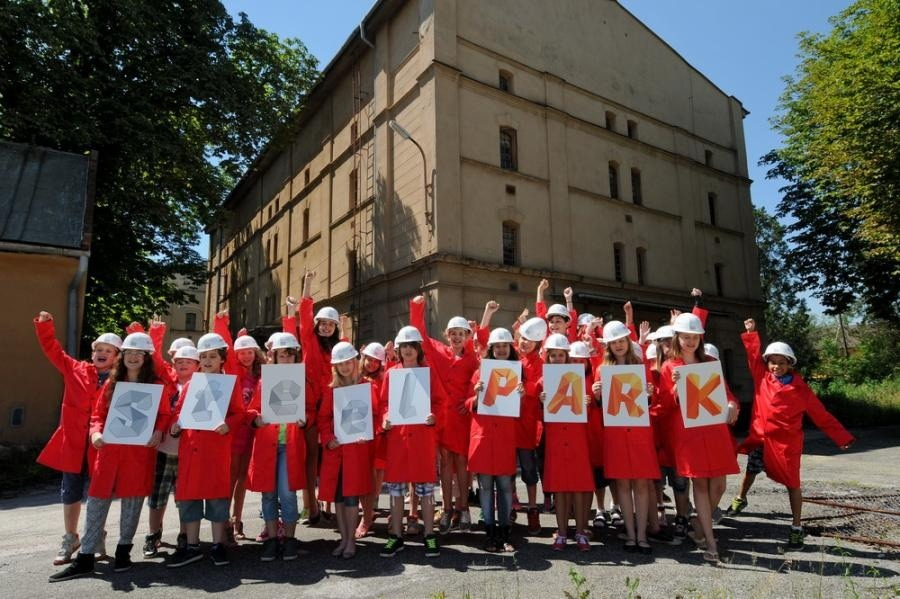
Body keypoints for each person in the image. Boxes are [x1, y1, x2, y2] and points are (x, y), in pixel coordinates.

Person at [49, 332, 174, 582]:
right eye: (129, 352)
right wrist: (95, 433)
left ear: (147, 358)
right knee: (97, 501)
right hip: (108, 451)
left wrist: (159, 431)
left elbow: (164, 415)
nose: (133, 357)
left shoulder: (157, 386)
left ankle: (123, 552)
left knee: (132, 501)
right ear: (122, 356)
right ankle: (85, 557)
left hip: (139, 452)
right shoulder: (111, 384)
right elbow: (98, 416)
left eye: (139, 353)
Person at [738, 318, 854, 548]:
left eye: (782, 363)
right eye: (772, 362)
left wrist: (841, 438)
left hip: (786, 445)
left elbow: (821, 415)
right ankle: (741, 498)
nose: (776, 366)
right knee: (751, 470)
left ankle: (796, 526)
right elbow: (753, 357)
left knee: (793, 484)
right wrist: (751, 333)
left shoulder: (800, 390)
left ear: (790, 364)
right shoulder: (762, 378)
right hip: (762, 439)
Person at [35, 311, 122, 566]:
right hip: (72, 444)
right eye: (98, 349)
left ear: (116, 356)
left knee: (99, 492)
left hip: (102, 445)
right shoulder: (75, 368)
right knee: (70, 491)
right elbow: (53, 351)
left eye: (108, 350)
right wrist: (45, 326)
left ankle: (95, 537)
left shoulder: (122, 381)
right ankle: (71, 538)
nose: (101, 353)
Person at [657, 313, 739, 563]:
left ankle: (699, 525)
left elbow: (726, 393)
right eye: (686, 337)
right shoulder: (669, 366)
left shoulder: (710, 361)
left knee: (719, 486)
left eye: (694, 337)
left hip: (715, 432)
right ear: (677, 338)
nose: (690, 341)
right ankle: (711, 544)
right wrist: (673, 390)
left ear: (700, 338)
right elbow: (663, 405)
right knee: (701, 487)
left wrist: (733, 405)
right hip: (689, 433)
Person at [166, 332, 246, 568]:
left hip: (215, 450)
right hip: (191, 449)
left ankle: (218, 545)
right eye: (204, 356)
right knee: (189, 498)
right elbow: (179, 412)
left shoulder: (230, 383)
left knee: (216, 499)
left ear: (222, 358)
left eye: (213, 356)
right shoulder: (191, 385)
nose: (208, 360)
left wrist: (227, 425)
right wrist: (175, 426)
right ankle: (192, 546)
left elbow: (239, 413)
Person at [410, 296, 480, 534]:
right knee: (445, 464)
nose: (457, 337)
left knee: (462, 464)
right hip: (441, 418)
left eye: (462, 333)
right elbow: (419, 333)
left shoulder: (473, 360)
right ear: (447, 335)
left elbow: (478, 384)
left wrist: (470, 401)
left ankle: (464, 508)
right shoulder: (438, 351)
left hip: (462, 418)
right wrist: (418, 307)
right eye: (453, 333)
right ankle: (448, 508)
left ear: (468, 336)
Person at [592, 321, 659, 555]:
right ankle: (630, 535)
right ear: (608, 345)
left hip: (640, 433)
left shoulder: (641, 366)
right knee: (622, 485)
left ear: (628, 342)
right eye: (614, 342)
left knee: (641, 485)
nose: (619, 345)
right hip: (616, 434)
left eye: (622, 340)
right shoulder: (601, 370)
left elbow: (649, 400)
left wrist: (650, 395)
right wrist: (598, 395)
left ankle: (642, 536)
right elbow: (601, 407)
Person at [379, 307, 441, 558]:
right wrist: (385, 419)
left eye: (411, 346)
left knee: (426, 493)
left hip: (422, 441)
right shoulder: (391, 374)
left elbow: (440, 403)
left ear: (418, 348)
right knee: (395, 493)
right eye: (403, 346)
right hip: (398, 441)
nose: (407, 350)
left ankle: (429, 535)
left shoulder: (428, 374)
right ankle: (396, 535)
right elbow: (384, 404)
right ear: (398, 349)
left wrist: (434, 416)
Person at [245, 332, 307, 561]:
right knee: (268, 493)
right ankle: (272, 539)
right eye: (283, 355)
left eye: (291, 355)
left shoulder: (301, 379)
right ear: (274, 357)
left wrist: (305, 419)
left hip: (289, 445)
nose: (287, 360)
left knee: (288, 493)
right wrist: (256, 418)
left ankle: (289, 539)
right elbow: (251, 410)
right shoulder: (264, 381)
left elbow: (308, 408)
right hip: (267, 445)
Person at [467, 326, 523, 552]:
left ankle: (505, 532)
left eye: (505, 346)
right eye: (497, 346)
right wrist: (476, 395)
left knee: (505, 487)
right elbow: (466, 403)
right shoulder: (480, 372)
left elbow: (527, 410)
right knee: (486, 487)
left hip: (504, 439)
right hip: (483, 437)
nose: (501, 349)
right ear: (491, 349)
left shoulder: (519, 374)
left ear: (511, 348)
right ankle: (490, 533)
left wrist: (523, 395)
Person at [318, 342, 375, 558]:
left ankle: (351, 541)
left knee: (351, 498)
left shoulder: (366, 386)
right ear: (335, 367)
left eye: (348, 362)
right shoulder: (331, 389)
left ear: (355, 362)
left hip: (356, 452)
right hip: (336, 451)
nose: (344, 367)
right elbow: (323, 419)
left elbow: (375, 417)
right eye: (340, 364)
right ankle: (343, 539)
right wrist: (329, 438)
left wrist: (367, 436)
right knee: (339, 498)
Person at [538, 334, 594, 552]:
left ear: (567, 357)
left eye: (561, 355)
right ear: (548, 357)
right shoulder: (543, 381)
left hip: (577, 439)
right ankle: (561, 533)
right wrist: (541, 402)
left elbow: (587, 410)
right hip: (556, 440)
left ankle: (580, 532)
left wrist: (588, 402)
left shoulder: (579, 378)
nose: (558, 359)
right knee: (560, 489)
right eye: (553, 355)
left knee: (579, 487)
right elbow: (538, 415)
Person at [143, 343, 200, 558]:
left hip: (189, 452)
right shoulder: (166, 385)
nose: (183, 364)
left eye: (188, 362)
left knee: (184, 498)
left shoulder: (202, 387)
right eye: (179, 361)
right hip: (164, 449)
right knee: (157, 496)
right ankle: (153, 533)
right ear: (173, 364)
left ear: (197, 365)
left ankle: (184, 535)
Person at [215, 313, 265, 544]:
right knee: (230, 477)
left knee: (243, 478)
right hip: (234, 432)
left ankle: (237, 519)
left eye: (249, 352)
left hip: (254, 433)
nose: (246, 356)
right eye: (241, 352)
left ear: (256, 353)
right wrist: (222, 324)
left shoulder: (264, 373)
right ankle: (224, 522)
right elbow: (224, 346)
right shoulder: (233, 371)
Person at [515, 317, 548, 535]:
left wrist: (524, 387)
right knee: (505, 470)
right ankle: (508, 508)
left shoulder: (542, 363)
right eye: (523, 338)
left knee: (529, 470)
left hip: (528, 424)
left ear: (538, 344)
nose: (525, 342)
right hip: (508, 422)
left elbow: (540, 387)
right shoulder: (511, 358)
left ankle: (533, 508)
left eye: (530, 340)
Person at [357, 341, 388, 538]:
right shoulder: (356, 378)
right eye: (368, 359)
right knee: (364, 477)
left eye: (376, 361)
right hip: (360, 433)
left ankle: (367, 515)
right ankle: (366, 516)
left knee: (375, 476)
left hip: (379, 434)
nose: (371, 363)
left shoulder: (384, 379)